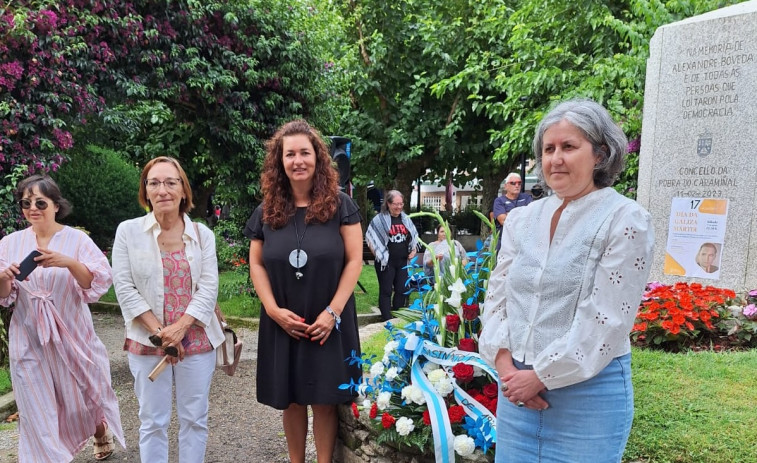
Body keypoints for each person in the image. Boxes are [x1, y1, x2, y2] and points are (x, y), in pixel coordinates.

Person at [479, 99, 655, 462]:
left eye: (569, 147)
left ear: (600, 155)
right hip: (515, 393)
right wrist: (505, 367)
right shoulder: (522, 220)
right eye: (548, 149)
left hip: (588, 398)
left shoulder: (625, 219)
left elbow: (607, 317)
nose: (555, 158)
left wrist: (540, 376)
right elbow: (498, 296)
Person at [243, 119, 363, 463]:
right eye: (290, 154)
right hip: (284, 320)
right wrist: (272, 310)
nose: (298, 160)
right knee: (291, 399)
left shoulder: (341, 206)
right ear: (279, 161)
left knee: (325, 400)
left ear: (318, 158)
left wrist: (333, 312)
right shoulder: (266, 211)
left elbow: (354, 261)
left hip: (329, 319)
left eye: (305, 153)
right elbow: (257, 265)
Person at [0, 175, 124, 462]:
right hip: (29, 335)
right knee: (35, 409)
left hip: (72, 333)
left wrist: (68, 262)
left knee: (81, 400)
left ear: (56, 205)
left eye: (40, 202)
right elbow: (5, 296)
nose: (33, 208)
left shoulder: (77, 240)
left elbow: (94, 285)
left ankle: (99, 428)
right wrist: (4, 278)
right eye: (26, 203)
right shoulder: (9, 243)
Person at [112, 156, 224, 463]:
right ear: (145, 191)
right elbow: (124, 287)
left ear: (183, 190)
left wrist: (181, 328)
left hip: (196, 340)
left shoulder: (203, 235)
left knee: (194, 418)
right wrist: (161, 334)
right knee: (152, 422)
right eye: (154, 183)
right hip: (148, 341)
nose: (163, 190)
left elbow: (208, 287)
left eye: (170, 182)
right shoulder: (128, 232)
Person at [365, 190, 419, 321]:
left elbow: (414, 237)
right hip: (386, 263)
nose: (399, 207)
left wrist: (413, 250)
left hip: (402, 261)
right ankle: (387, 319)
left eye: (401, 204)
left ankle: (397, 317)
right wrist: (379, 254)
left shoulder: (405, 218)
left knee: (402, 289)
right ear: (388, 203)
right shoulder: (379, 220)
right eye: (396, 204)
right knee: (386, 291)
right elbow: (370, 238)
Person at [492, 172, 532, 250]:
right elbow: (504, 221)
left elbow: (531, 217)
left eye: (519, 183)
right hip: (505, 242)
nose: (517, 186)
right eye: (513, 183)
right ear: (506, 186)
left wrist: (509, 214)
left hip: (524, 241)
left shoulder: (527, 198)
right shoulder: (499, 201)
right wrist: (523, 214)